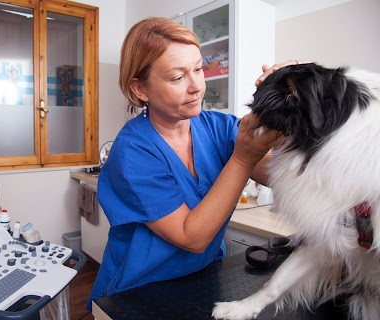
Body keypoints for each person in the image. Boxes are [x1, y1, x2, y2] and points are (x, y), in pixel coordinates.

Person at [87, 17, 292, 310]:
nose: (197, 86)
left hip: (203, 277)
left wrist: (291, 102)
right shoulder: (132, 151)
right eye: (177, 77)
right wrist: (244, 156)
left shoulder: (218, 127)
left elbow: (280, 174)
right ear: (141, 89)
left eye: (198, 69)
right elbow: (191, 237)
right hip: (141, 291)